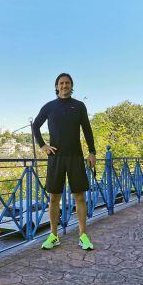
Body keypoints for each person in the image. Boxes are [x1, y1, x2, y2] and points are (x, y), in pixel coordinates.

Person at [32, 73, 96, 250]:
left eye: (67, 83)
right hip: (56, 157)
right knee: (54, 198)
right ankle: (53, 236)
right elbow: (35, 125)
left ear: (71, 86)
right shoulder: (49, 106)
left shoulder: (79, 106)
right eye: (61, 83)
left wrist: (92, 152)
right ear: (56, 86)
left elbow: (87, 130)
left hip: (75, 156)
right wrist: (43, 145)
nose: (64, 85)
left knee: (80, 197)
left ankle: (83, 236)